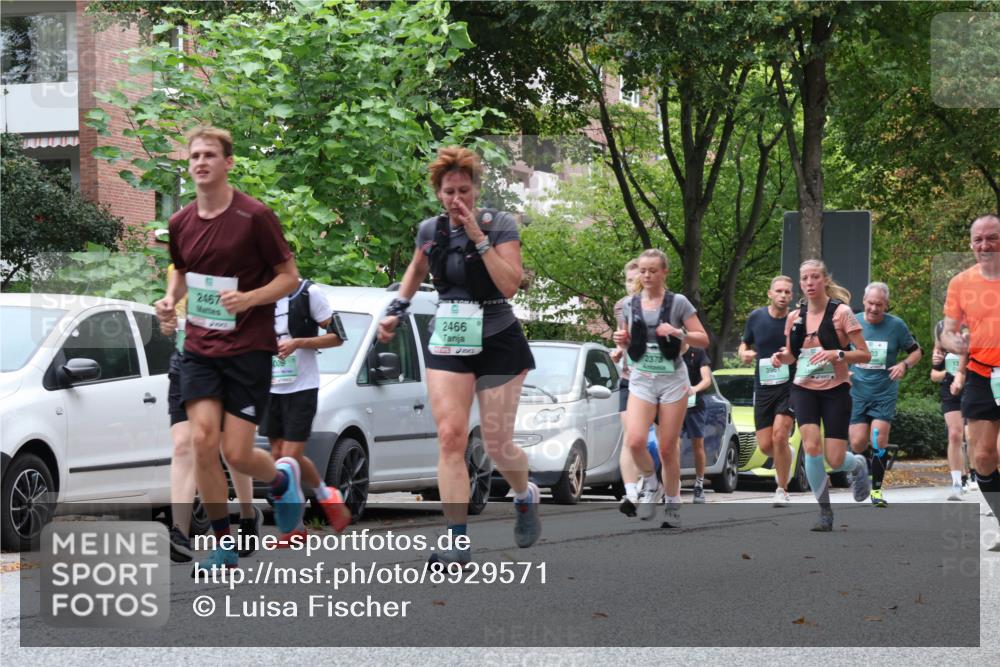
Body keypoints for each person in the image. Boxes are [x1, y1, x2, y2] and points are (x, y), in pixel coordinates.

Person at [377, 146, 540, 567]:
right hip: (450, 339)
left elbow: (509, 285)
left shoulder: (498, 225)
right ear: (438, 194)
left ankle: (525, 495)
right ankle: (456, 540)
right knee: (450, 438)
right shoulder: (429, 230)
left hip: (499, 337)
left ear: (476, 190)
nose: (457, 200)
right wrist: (397, 309)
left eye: (464, 191)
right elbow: (416, 269)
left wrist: (479, 239)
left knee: (498, 444)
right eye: (449, 192)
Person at [156, 126, 306, 574]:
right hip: (200, 346)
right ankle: (222, 543)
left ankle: (281, 480)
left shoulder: (254, 217)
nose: (200, 162)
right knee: (202, 441)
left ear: (228, 163)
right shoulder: (180, 222)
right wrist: (168, 299)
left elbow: (289, 278)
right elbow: (180, 271)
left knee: (236, 454)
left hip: (247, 348)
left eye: (209, 155)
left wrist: (249, 299)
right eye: (194, 156)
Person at [159, 263, 262, 563]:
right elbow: (173, 317)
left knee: (231, 450)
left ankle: (246, 514)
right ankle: (179, 531)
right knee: (182, 445)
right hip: (186, 361)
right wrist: (167, 320)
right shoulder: (177, 269)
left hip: (230, 364)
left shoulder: (243, 263)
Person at [770, 259, 872, 532]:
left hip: (836, 390)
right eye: (805, 278)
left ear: (825, 280)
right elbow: (792, 354)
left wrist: (838, 353)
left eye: (815, 277)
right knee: (811, 447)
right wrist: (781, 357)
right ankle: (824, 511)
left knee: (835, 459)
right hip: (803, 388)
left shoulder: (842, 313)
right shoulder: (795, 317)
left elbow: (864, 353)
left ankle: (858, 464)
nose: (809, 283)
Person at [612, 249, 709, 528]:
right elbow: (627, 340)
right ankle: (651, 482)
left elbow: (702, 339)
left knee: (667, 448)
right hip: (641, 379)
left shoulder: (678, 303)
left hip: (672, 381)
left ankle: (673, 502)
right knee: (634, 441)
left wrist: (678, 332)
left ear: (664, 272)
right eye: (643, 271)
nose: (647, 276)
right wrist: (620, 345)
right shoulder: (630, 304)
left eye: (653, 271)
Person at [260, 279, 351, 545]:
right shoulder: (258, 294)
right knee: (279, 456)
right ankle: (310, 514)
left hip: (303, 386)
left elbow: (338, 337)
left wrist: (299, 342)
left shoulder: (308, 293)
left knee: (290, 457)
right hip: (270, 386)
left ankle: (297, 520)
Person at [940, 214, 1000, 548]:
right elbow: (948, 332)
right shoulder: (961, 282)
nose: (985, 245)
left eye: (992, 238)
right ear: (970, 244)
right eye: (978, 240)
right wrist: (954, 342)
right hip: (980, 372)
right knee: (982, 458)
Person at [847, 282, 922, 508]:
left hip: (884, 392)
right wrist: (844, 370)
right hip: (857, 391)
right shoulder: (852, 322)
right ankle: (859, 471)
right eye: (870, 303)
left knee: (878, 440)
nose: (873, 308)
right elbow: (835, 348)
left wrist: (904, 365)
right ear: (863, 301)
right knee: (858, 443)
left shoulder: (896, 326)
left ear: (886, 305)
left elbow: (916, 351)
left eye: (879, 305)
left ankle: (877, 491)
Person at [738, 275, 796, 506]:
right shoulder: (756, 317)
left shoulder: (796, 320)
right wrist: (743, 353)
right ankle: (786, 454)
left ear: (792, 296)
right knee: (765, 445)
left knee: (779, 435)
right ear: (770, 294)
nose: (783, 296)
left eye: (787, 292)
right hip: (762, 385)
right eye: (779, 291)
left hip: (789, 385)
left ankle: (781, 489)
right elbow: (745, 343)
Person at [611, 259, 641, 516]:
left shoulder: (665, 304)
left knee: (658, 442)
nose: (633, 285)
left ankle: (653, 482)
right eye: (629, 280)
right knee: (630, 437)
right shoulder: (621, 306)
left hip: (659, 382)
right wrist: (618, 350)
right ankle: (631, 492)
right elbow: (623, 336)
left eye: (636, 279)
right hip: (629, 379)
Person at [930, 320, 973, 500]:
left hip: (974, 388)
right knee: (955, 434)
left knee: (971, 436)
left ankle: (977, 474)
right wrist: (949, 374)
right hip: (951, 391)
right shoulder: (941, 331)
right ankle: (957, 482)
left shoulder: (974, 326)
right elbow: (934, 375)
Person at [679, 342, 713, 503]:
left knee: (697, 445)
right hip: (673, 405)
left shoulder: (698, 353)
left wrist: (694, 389)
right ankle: (671, 482)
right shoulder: (668, 353)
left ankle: (699, 484)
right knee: (671, 445)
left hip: (695, 405)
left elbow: (707, 379)